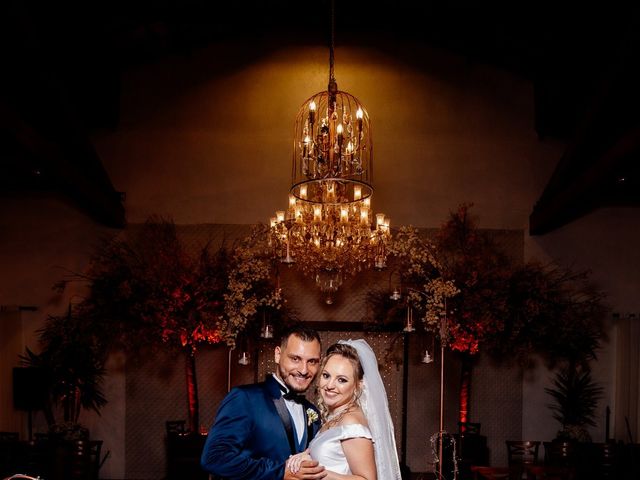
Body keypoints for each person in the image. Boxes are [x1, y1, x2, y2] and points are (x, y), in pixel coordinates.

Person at [201, 325, 327, 480]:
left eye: (312, 361)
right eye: (295, 359)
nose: (303, 370)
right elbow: (214, 458)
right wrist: (280, 472)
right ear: (277, 355)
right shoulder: (244, 398)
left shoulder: (312, 411)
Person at [286, 339, 402, 480]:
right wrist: (305, 458)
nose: (330, 385)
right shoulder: (336, 416)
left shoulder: (351, 423)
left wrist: (316, 472)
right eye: (326, 375)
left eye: (342, 380)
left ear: (358, 386)